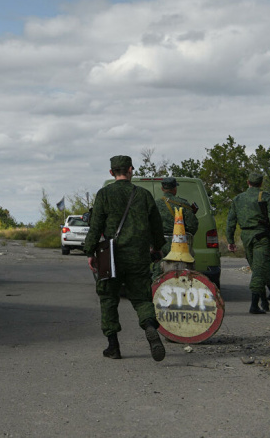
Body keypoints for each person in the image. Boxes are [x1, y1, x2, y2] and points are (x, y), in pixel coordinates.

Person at [83, 155, 166, 362]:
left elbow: (96, 225)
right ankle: (149, 326)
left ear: (111, 172)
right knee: (142, 298)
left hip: (110, 256)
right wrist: (156, 249)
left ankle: (113, 346)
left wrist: (89, 252)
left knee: (109, 298)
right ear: (131, 170)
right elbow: (156, 226)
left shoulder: (104, 194)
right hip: (138, 256)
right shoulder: (144, 195)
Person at [226, 172, 270, 314]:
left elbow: (231, 221)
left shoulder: (237, 199)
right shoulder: (265, 197)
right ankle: (254, 305)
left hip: (246, 237)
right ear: (261, 183)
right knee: (259, 270)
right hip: (261, 237)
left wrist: (230, 240)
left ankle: (264, 301)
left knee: (258, 267)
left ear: (248, 182)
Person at [152, 177, 199, 279]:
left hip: (161, 243)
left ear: (162, 189)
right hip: (180, 243)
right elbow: (192, 225)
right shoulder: (183, 203)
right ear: (175, 189)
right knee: (184, 272)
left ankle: (155, 291)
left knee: (158, 271)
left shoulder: (155, 204)